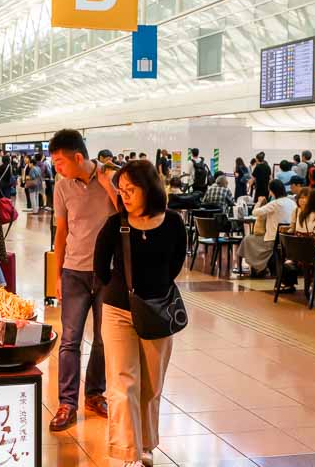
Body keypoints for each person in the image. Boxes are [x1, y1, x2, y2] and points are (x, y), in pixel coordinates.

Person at [94, 161, 186, 467]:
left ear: (150, 189)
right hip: (118, 311)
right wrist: (121, 291)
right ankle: (126, 452)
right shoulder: (115, 224)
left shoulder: (173, 223)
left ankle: (145, 444)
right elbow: (100, 269)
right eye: (121, 191)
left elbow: (175, 265)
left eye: (131, 190)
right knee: (122, 383)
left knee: (151, 384)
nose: (125, 196)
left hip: (158, 312)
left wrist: (152, 290)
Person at [49, 129, 117, 431]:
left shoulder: (111, 179)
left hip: (106, 273)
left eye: (60, 161)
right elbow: (61, 232)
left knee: (103, 341)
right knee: (69, 340)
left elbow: (126, 214)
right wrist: (57, 275)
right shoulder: (62, 187)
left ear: (79, 157)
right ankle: (66, 402)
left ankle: (94, 394)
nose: (57, 167)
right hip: (75, 272)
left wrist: (108, 184)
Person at [237, 179, 296, 277]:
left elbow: (255, 212)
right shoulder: (291, 202)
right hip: (288, 237)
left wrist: (259, 202)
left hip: (273, 239)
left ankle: (257, 267)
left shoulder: (274, 204)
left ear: (272, 191)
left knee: (247, 239)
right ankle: (261, 267)